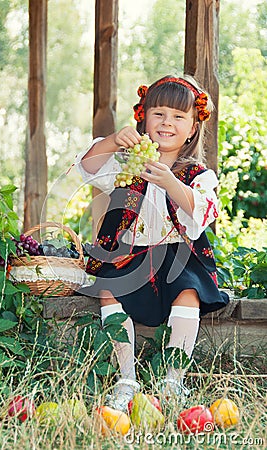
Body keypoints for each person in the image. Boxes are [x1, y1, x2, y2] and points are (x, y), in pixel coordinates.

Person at [75, 75, 229, 412]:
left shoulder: (198, 173)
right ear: (144, 117)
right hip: (131, 253)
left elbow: (200, 211)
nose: (167, 123)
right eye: (158, 114)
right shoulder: (128, 161)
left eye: (178, 117)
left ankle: (174, 378)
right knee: (107, 288)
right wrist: (114, 140)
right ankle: (126, 377)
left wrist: (171, 181)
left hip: (177, 256)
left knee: (188, 291)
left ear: (192, 128)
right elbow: (87, 166)